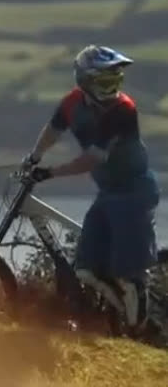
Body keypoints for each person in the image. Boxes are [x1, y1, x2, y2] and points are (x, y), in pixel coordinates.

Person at [24, 44, 160, 331]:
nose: (113, 88)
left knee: (127, 272)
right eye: (105, 81)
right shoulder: (72, 103)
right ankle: (119, 312)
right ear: (85, 81)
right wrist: (34, 156)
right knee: (85, 269)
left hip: (133, 192)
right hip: (108, 192)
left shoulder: (123, 109)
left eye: (116, 80)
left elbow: (92, 159)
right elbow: (54, 129)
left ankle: (137, 309)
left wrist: (49, 173)